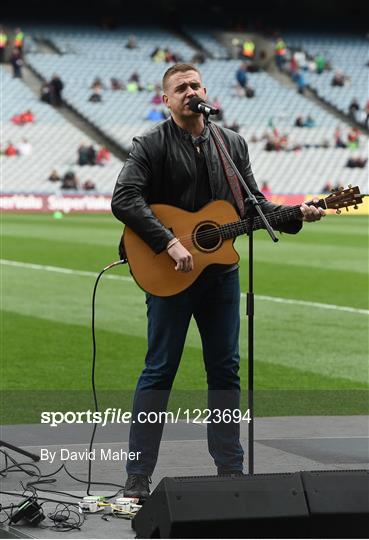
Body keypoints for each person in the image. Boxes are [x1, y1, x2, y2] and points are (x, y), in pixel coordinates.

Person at [111, 63, 325, 500]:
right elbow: (124, 198)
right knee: (159, 370)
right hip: (169, 272)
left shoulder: (231, 144)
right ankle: (137, 476)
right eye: (180, 87)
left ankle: (230, 469)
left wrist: (298, 214)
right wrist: (169, 242)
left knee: (225, 368)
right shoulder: (150, 144)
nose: (189, 91)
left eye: (195, 85)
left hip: (220, 274)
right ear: (166, 99)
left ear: (205, 92)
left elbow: (253, 206)